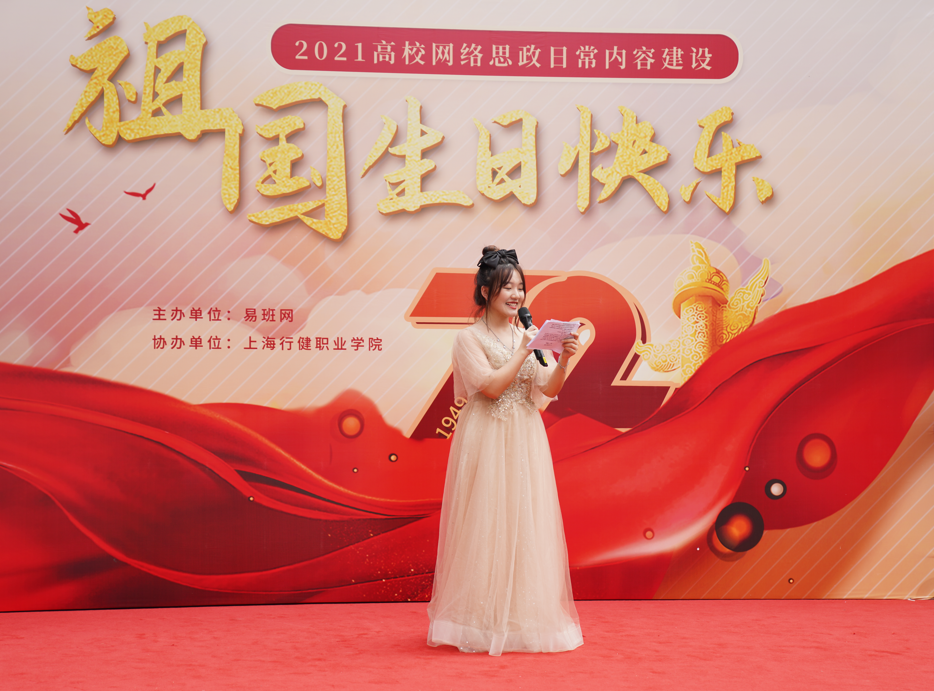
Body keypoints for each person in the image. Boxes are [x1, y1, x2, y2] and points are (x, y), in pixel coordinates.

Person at [427, 245, 584, 656]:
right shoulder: (469, 338)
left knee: (525, 521)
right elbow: (492, 388)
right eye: (507, 287)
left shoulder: (527, 334)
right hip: (487, 435)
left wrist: (563, 361)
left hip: (525, 436)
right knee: (487, 521)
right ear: (485, 292)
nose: (516, 295)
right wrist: (524, 350)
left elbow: (547, 388)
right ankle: (478, 623)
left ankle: (520, 620)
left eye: (520, 287)